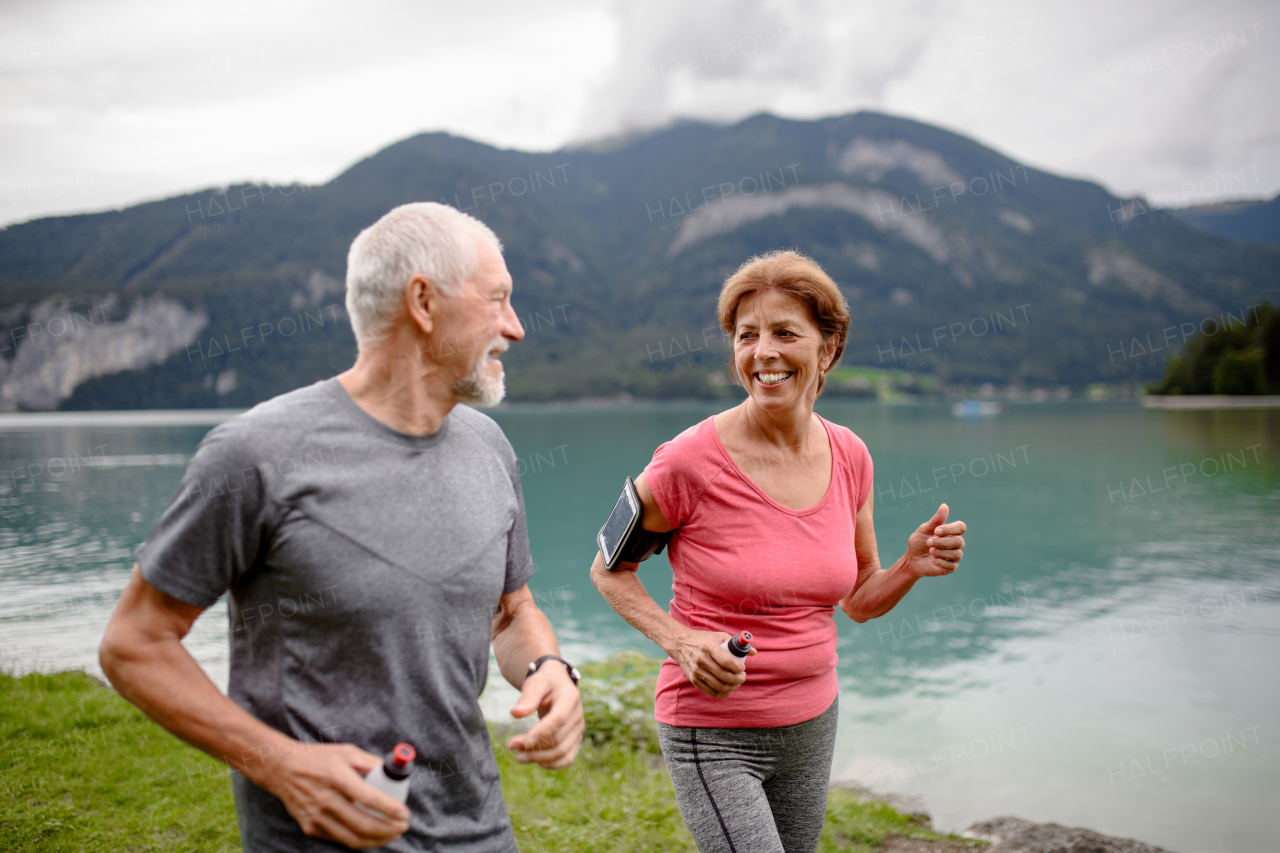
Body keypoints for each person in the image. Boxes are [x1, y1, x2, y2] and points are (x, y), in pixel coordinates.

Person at [100, 202, 585, 852]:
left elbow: (510, 611)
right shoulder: (255, 454)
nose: (516, 327)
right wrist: (280, 763)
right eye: (498, 299)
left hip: (481, 833)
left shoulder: (489, 445)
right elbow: (135, 642)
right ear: (422, 300)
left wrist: (548, 668)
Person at [591, 250, 967, 853]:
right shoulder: (687, 461)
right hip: (712, 731)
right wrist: (680, 641)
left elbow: (860, 600)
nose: (762, 352)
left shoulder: (851, 455)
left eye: (785, 333)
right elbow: (609, 571)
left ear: (829, 346)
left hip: (813, 724)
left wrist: (910, 567)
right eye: (747, 336)